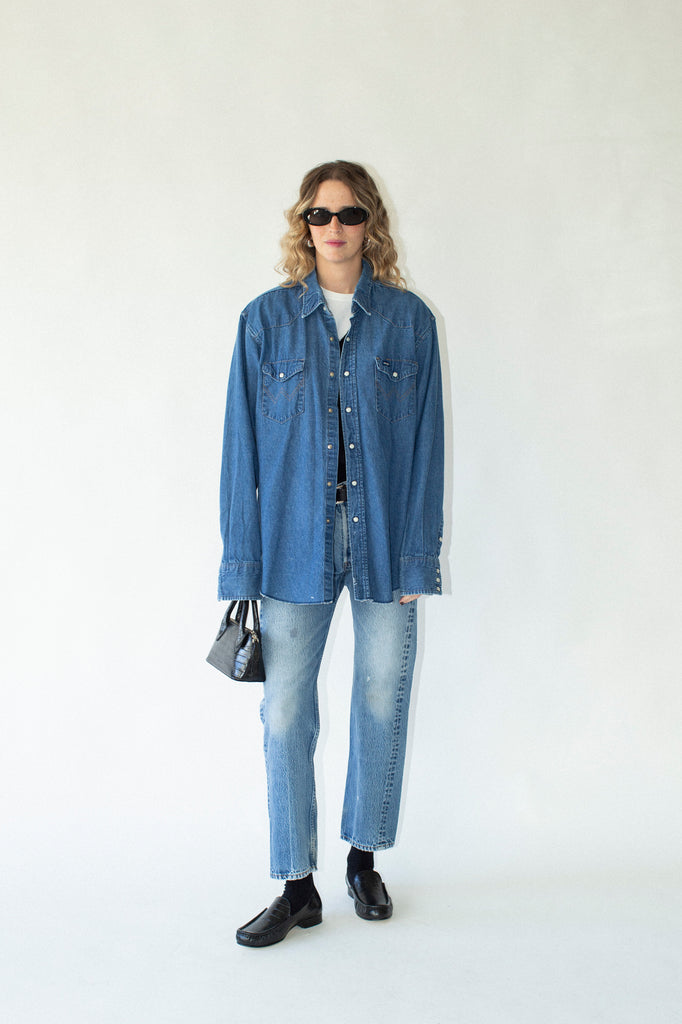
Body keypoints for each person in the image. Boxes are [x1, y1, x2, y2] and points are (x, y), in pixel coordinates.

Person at [218, 160, 444, 947]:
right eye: (320, 214)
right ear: (303, 224)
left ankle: (363, 858)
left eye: (349, 213)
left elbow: (426, 450)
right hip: (289, 545)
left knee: (382, 700)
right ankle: (295, 884)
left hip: (383, 543)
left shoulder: (410, 322)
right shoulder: (264, 322)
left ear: (370, 221)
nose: (335, 227)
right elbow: (239, 454)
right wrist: (240, 567)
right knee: (284, 714)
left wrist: (417, 557)